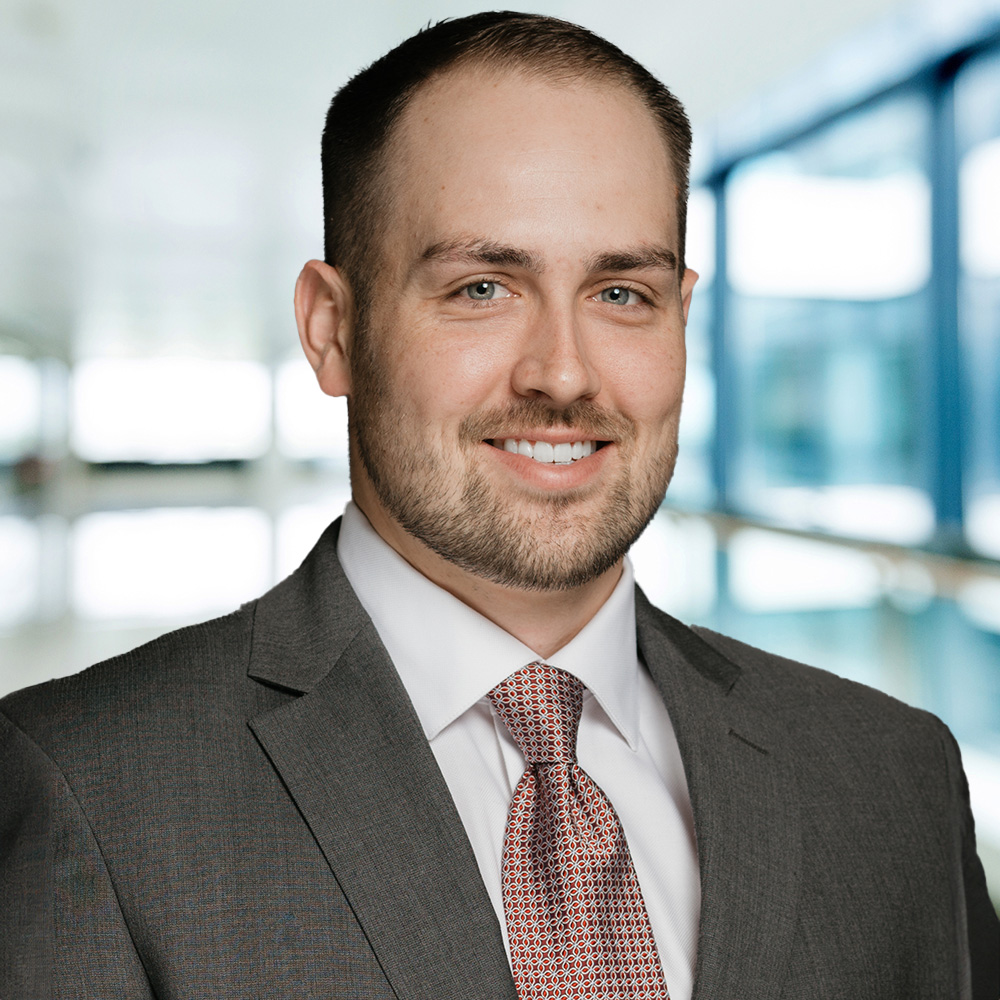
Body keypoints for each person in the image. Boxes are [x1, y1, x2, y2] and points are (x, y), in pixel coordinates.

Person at [2, 11, 997, 999]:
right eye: (483, 287)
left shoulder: (890, 777)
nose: (563, 373)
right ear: (332, 329)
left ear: (682, 319)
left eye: (621, 294)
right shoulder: (88, 791)